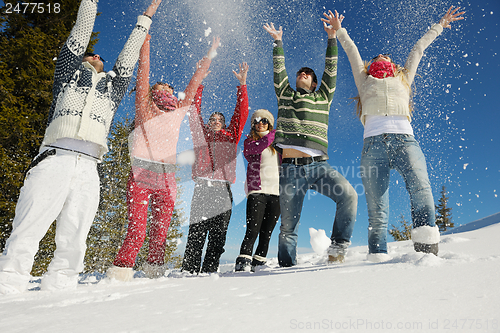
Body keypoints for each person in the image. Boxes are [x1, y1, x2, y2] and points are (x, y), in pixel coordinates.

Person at [0, 0, 162, 294]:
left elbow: (128, 56)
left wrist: (147, 17)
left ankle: (60, 290)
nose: (96, 54)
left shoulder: (112, 89)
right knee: (28, 228)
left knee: (74, 238)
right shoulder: (67, 77)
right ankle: (8, 285)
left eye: (99, 55)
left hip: (89, 168)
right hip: (54, 160)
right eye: (90, 54)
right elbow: (82, 29)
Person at [323, 7, 465, 261]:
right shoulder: (364, 79)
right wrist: (339, 31)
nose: (381, 56)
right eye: (377, 56)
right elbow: (352, 52)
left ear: (393, 64)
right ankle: (377, 257)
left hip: (405, 141)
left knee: (421, 189)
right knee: (377, 208)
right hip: (372, 147)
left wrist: (441, 25)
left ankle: (427, 254)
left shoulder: (404, 78)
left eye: (385, 55)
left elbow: (419, 48)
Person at [106, 32, 220, 281]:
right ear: (153, 90)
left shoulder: (178, 111)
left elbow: (192, 86)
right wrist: (145, 42)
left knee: (160, 231)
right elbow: (143, 73)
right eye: (163, 85)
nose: (168, 87)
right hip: (142, 172)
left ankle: (154, 273)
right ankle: (121, 271)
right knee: (137, 229)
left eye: (170, 86)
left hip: (167, 178)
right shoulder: (144, 106)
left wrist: (208, 58)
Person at [263, 18, 358, 267]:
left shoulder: (323, 96)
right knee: (288, 227)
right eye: (300, 73)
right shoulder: (285, 95)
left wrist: (331, 38)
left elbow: (331, 70)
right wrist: (277, 43)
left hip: (319, 166)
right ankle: (286, 267)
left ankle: (337, 247)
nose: (302, 74)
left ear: (315, 83)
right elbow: (279, 71)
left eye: (308, 74)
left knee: (348, 195)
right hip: (291, 169)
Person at [180, 63, 249, 274]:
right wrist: (199, 83)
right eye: (213, 119)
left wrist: (242, 85)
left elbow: (242, 113)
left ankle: (210, 271)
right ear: (208, 123)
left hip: (223, 190)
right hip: (203, 188)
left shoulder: (231, 136)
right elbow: (193, 111)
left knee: (218, 236)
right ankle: (189, 271)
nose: (216, 121)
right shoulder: (201, 136)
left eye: (220, 119)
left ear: (225, 124)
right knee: (197, 233)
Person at [235, 109, 280, 272]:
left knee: (267, 232)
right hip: (257, 191)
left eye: (265, 120)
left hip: (277, 192)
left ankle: (258, 263)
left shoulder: (277, 145)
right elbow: (257, 148)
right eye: (257, 120)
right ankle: (243, 262)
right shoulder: (250, 142)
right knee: (253, 229)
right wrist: (274, 133)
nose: (261, 123)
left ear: (269, 123)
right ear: (253, 125)